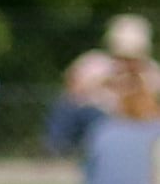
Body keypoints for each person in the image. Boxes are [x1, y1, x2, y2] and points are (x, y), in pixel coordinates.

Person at [49, 14, 160, 156]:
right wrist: (103, 81)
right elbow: (72, 88)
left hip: (125, 118)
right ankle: (56, 150)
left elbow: (150, 104)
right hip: (92, 112)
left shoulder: (149, 70)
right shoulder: (96, 62)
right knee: (67, 106)